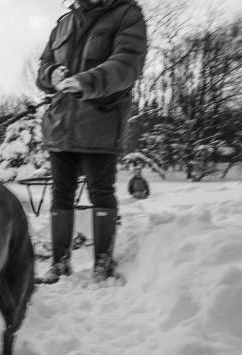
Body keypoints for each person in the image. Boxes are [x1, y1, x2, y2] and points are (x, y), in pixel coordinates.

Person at [35, 0, 147, 283]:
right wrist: (51, 74)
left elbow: (127, 64)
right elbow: (43, 67)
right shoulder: (64, 23)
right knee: (61, 194)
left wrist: (88, 81)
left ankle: (103, 264)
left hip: (100, 123)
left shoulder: (127, 14)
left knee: (100, 192)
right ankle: (59, 265)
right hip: (61, 126)